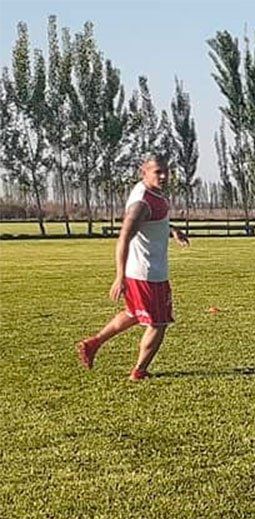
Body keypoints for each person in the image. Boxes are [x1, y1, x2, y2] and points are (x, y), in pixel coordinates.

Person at [76, 154, 189, 380]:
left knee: (133, 314)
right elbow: (124, 238)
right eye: (158, 171)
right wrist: (120, 277)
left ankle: (93, 343)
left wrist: (172, 229)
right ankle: (139, 371)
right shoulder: (142, 203)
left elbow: (152, 223)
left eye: (166, 171)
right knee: (159, 323)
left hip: (143, 271)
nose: (164, 176)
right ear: (143, 172)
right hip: (149, 274)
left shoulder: (150, 193)